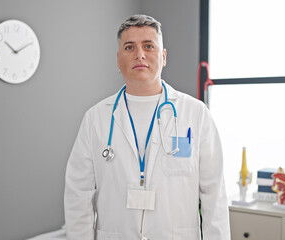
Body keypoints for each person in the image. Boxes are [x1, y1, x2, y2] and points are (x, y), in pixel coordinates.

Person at [64, 14, 230, 240]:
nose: (139, 54)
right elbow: (78, 196)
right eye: (129, 47)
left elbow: (214, 196)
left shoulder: (196, 114)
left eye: (148, 46)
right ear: (118, 59)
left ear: (163, 57)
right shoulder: (96, 119)